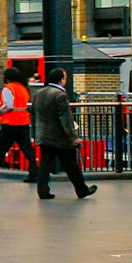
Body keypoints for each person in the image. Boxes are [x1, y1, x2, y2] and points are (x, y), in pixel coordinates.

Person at [33, 69, 97, 201]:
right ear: (62, 79)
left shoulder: (38, 93)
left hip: (43, 135)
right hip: (60, 137)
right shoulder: (60, 95)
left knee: (45, 165)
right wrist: (74, 137)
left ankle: (43, 190)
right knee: (72, 166)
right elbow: (66, 119)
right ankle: (82, 190)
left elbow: (33, 111)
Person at [0, 67, 38, 184]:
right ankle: (34, 173)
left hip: (10, 122)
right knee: (27, 149)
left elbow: (8, 106)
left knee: (1, 149)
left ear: (6, 77)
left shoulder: (8, 88)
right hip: (23, 121)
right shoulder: (23, 88)